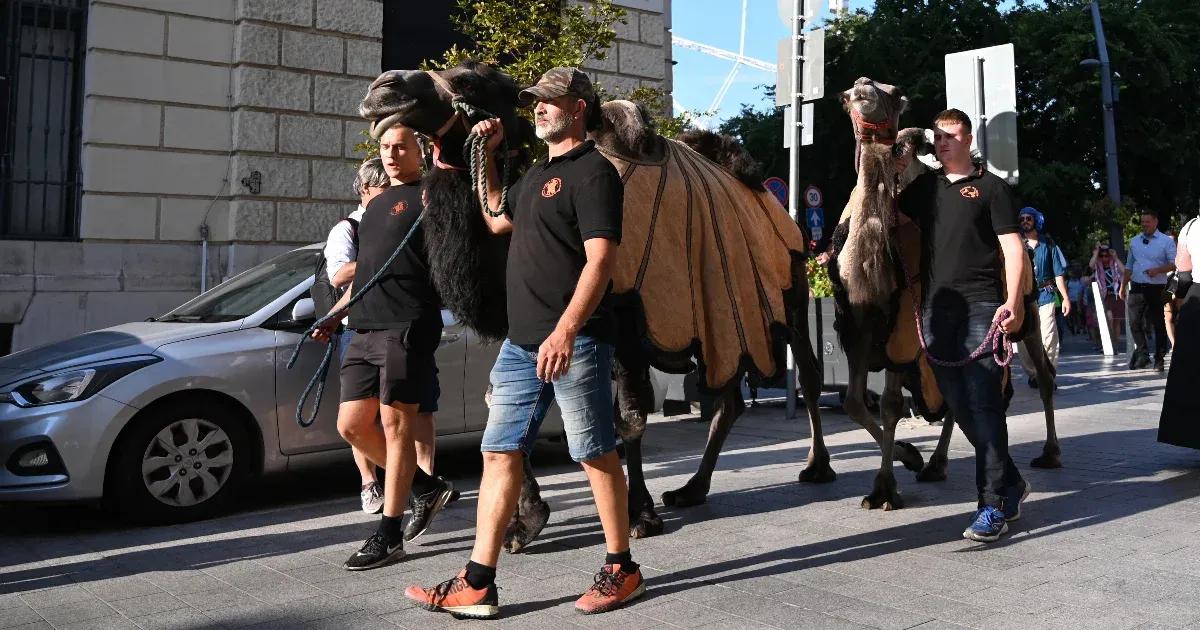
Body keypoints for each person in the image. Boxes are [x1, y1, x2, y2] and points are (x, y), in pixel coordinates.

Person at [405, 67, 644, 619]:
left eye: (549, 100)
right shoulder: (538, 173)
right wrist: (487, 155)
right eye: (534, 100)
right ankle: (478, 581)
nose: (537, 107)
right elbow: (496, 218)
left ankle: (621, 568)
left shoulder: (595, 173)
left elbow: (601, 259)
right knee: (498, 451)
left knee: (594, 453)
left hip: (575, 341)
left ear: (579, 107)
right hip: (520, 344)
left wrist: (566, 330)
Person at [312, 124, 454, 570]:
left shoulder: (431, 196)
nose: (391, 154)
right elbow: (367, 273)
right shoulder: (372, 209)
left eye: (400, 147)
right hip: (364, 327)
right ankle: (425, 488)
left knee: (397, 429)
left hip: (407, 325)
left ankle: (389, 534)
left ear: (420, 151)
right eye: (385, 147)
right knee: (352, 425)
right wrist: (335, 313)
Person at [895, 108, 1031, 543]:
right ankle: (1010, 480)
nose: (942, 143)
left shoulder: (992, 188)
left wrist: (1012, 301)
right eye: (938, 137)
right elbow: (890, 218)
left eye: (950, 136)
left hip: (982, 306)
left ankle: (991, 505)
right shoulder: (926, 187)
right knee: (957, 402)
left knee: (984, 403)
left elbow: (1013, 249)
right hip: (937, 310)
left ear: (968, 139)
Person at [325, 158, 388, 514]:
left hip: (393, 326)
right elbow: (338, 276)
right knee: (360, 418)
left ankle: (416, 481)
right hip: (357, 330)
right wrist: (384, 257)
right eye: (383, 188)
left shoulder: (395, 220)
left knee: (395, 413)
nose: (390, 194)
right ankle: (369, 482)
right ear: (365, 188)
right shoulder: (347, 229)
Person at [1015, 207, 1069, 388]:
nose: (1024, 221)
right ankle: (1033, 375)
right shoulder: (1015, 243)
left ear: (1036, 220)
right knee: (1023, 339)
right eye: (1022, 219)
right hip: (1022, 298)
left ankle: (1048, 374)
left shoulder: (1048, 244)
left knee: (1048, 337)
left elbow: (1058, 273)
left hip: (1045, 295)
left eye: (1028, 218)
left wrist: (1065, 298)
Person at [1159, 213, 1199, 450]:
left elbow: (1183, 274)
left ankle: (1191, 434)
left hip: (1197, 298)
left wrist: (1179, 299)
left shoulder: (1192, 226)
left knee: (1192, 369)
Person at [1122, 211, 1177, 370]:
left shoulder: (1166, 242)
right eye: (1142, 222)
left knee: (1158, 324)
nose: (1144, 224)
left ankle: (1159, 358)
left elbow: (1174, 264)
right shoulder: (1135, 241)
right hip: (1137, 287)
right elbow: (1129, 266)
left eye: (1147, 221)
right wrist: (1122, 286)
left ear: (1155, 222)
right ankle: (1143, 354)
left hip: (1156, 287)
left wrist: (1158, 270)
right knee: (1134, 322)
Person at [1089, 243, 1126, 352]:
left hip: (1116, 295)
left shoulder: (1114, 264)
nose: (1104, 258)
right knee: (1108, 318)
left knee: (1116, 321)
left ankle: (1115, 345)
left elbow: (1124, 270)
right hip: (1104, 296)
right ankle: (1108, 343)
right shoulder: (1097, 266)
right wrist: (1096, 253)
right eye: (1102, 256)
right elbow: (1091, 265)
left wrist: (1116, 257)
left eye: (1106, 255)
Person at [1066, 267, 1086, 335]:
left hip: (1078, 300)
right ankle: (1072, 327)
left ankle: (1078, 328)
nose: (1072, 274)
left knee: (1078, 315)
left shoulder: (1079, 281)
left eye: (1073, 273)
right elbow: (1066, 291)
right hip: (1071, 301)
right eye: (1070, 273)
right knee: (1071, 316)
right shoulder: (1067, 282)